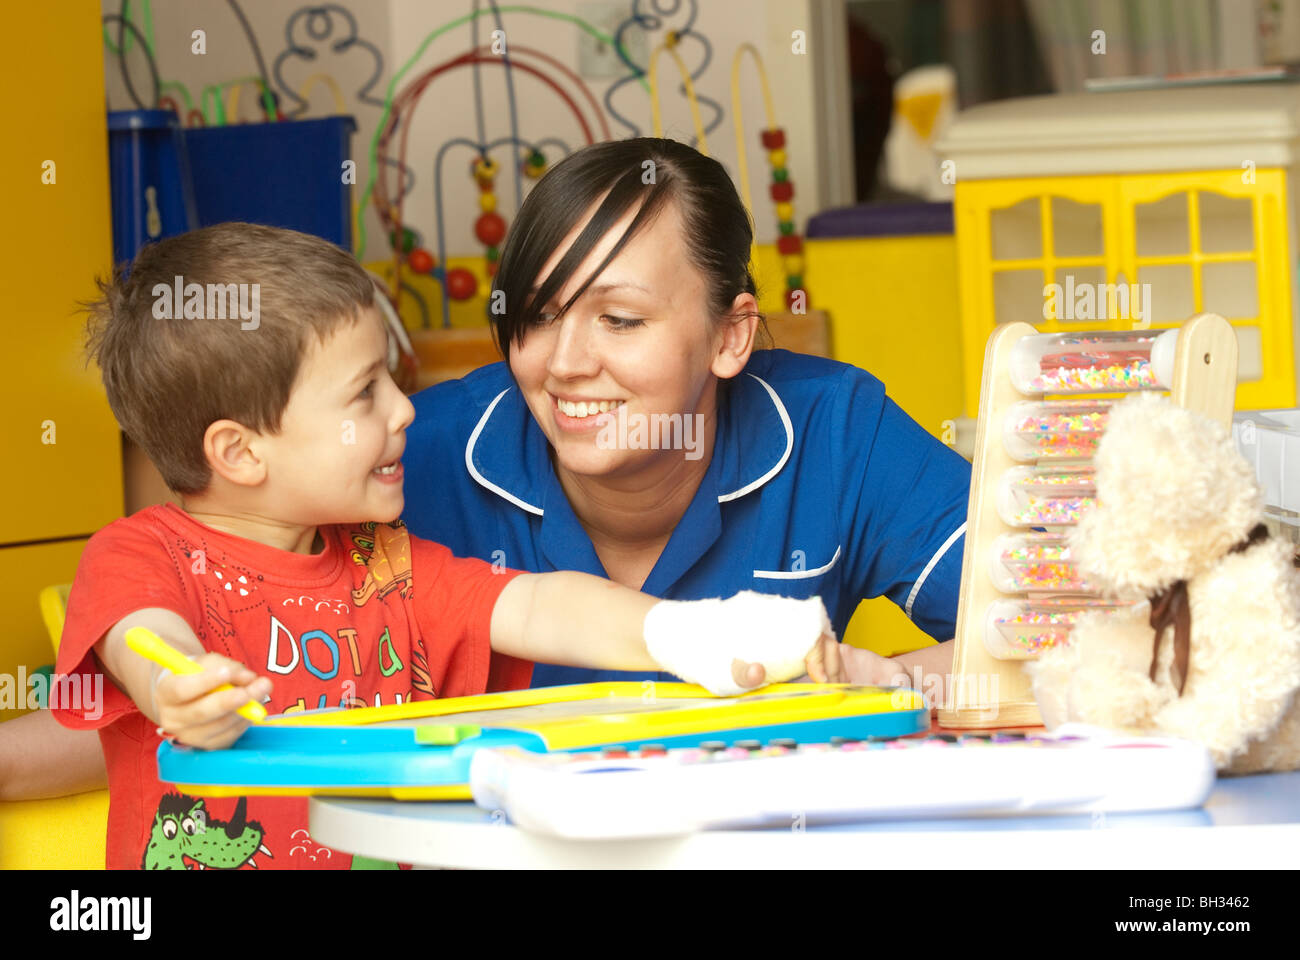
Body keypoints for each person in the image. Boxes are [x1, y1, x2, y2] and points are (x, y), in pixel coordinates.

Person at [47, 223, 842, 869]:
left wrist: (691, 633)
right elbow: (140, 636)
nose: (405, 411)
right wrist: (176, 686)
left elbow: (538, 603)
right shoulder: (137, 553)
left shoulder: (386, 564)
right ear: (241, 453)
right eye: (366, 393)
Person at [400, 137, 970, 692]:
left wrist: (882, 681)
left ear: (729, 336)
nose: (565, 364)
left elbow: (1045, 626)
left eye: (620, 319)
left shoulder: (837, 432)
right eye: (539, 315)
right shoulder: (411, 454)